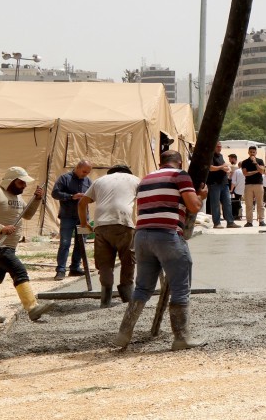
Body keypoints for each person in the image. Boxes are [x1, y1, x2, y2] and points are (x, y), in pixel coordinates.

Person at [113, 150, 207, 351]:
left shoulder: (146, 179)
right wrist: (201, 196)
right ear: (179, 162)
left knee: (142, 288)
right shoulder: (180, 175)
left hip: (142, 236)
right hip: (167, 234)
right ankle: (181, 337)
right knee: (180, 287)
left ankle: (123, 333)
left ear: (160, 162)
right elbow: (193, 206)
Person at [0, 167, 52, 323]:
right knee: (19, 271)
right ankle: (32, 308)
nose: (24, 186)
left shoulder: (18, 198)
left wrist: (37, 200)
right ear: (11, 181)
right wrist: (1, 228)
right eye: (21, 183)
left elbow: (27, 215)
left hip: (9, 246)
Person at [78, 164, 140, 308]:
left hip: (101, 224)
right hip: (123, 221)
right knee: (127, 260)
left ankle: (105, 300)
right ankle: (127, 297)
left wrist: (84, 223)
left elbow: (82, 203)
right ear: (128, 172)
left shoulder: (99, 181)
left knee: (104, 264)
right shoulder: (135, 180)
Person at [52, 160, 93, 280]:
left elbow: (93, 196)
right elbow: (55, 193)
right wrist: (71, 197)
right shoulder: (64, 178)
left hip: (83, 218)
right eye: (84, 171)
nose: (86, 174)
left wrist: (88, 198)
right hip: (67, 217)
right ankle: (61, 270)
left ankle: (75, 268)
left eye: (88, 172)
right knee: (65, 243)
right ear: (77, 168)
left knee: (81, 244)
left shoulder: (88, 181)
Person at [206, 142, 239, 229]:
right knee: (215, 204)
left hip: (224, 183)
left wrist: (226, 168)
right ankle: (217, 223)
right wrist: (221, 167)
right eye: (217, 146)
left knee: (228, 203)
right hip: (214, 183)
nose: (219, 148)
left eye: (220, 147)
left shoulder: (220, 156)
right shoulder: (210, 156)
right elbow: (211, 168)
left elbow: (225, 166)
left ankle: (230, 222)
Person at [240, 145, 266, 227]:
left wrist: (256, 163)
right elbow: (245, 173)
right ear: (248, 152)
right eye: (251, 152)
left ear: (256, 153)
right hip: (248, 184)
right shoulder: (245, 162)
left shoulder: (260, 161)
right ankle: (249, 221)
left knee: (260, 203)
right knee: (249, 204)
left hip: (258, 184)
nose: (252, 153)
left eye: (253, 152)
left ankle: (261, 220)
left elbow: (261, 171)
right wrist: (255, 171)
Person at [229, 153, 245, 221]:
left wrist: (231, 190)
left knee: (234, 202)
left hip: (236, 190)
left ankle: (236, 215)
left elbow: (233, 182)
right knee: (239, 202)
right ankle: (240, 214)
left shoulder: (237, 171)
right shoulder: (245, 172)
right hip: (244, 190)